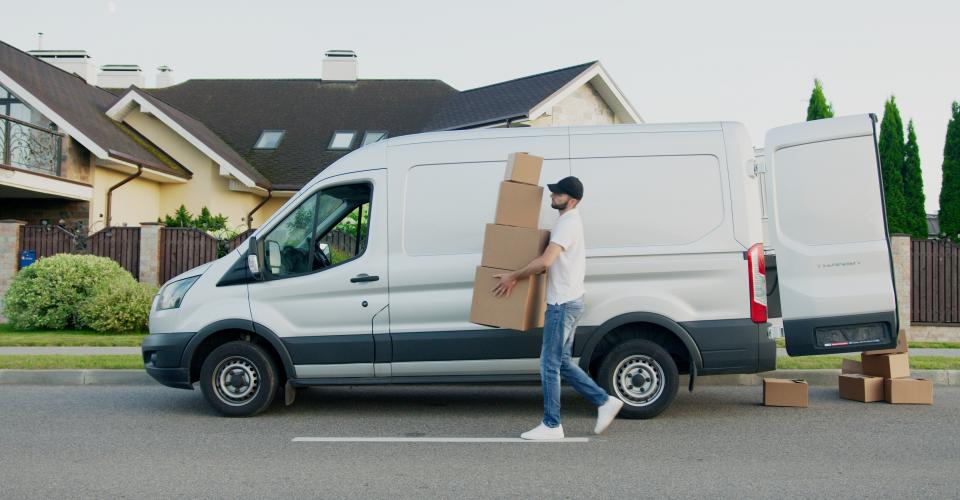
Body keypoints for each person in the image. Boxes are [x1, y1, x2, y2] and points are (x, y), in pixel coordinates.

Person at [492, 176, 623, 440]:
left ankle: (552, 425)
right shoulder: (567, 221)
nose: (552, 196)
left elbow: (545, 262)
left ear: (572, 200)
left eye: (558, 194)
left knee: (548, 364)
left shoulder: (568, 223)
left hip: (562, 303)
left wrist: (513, 276)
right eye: (553, 192)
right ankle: (604, 401)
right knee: (561, 361)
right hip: (571, 299)